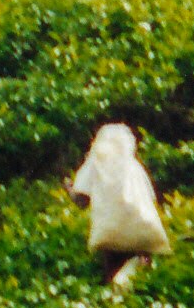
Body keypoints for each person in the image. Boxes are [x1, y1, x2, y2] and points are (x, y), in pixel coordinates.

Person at [71, 120, 167, 287]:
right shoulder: (133, 166)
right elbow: (151, 199)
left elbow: (81, 200)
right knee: (139, 281)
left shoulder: (96, 163)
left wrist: (70, 191)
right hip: (140, 232)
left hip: (111, 234)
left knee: (113, 278)